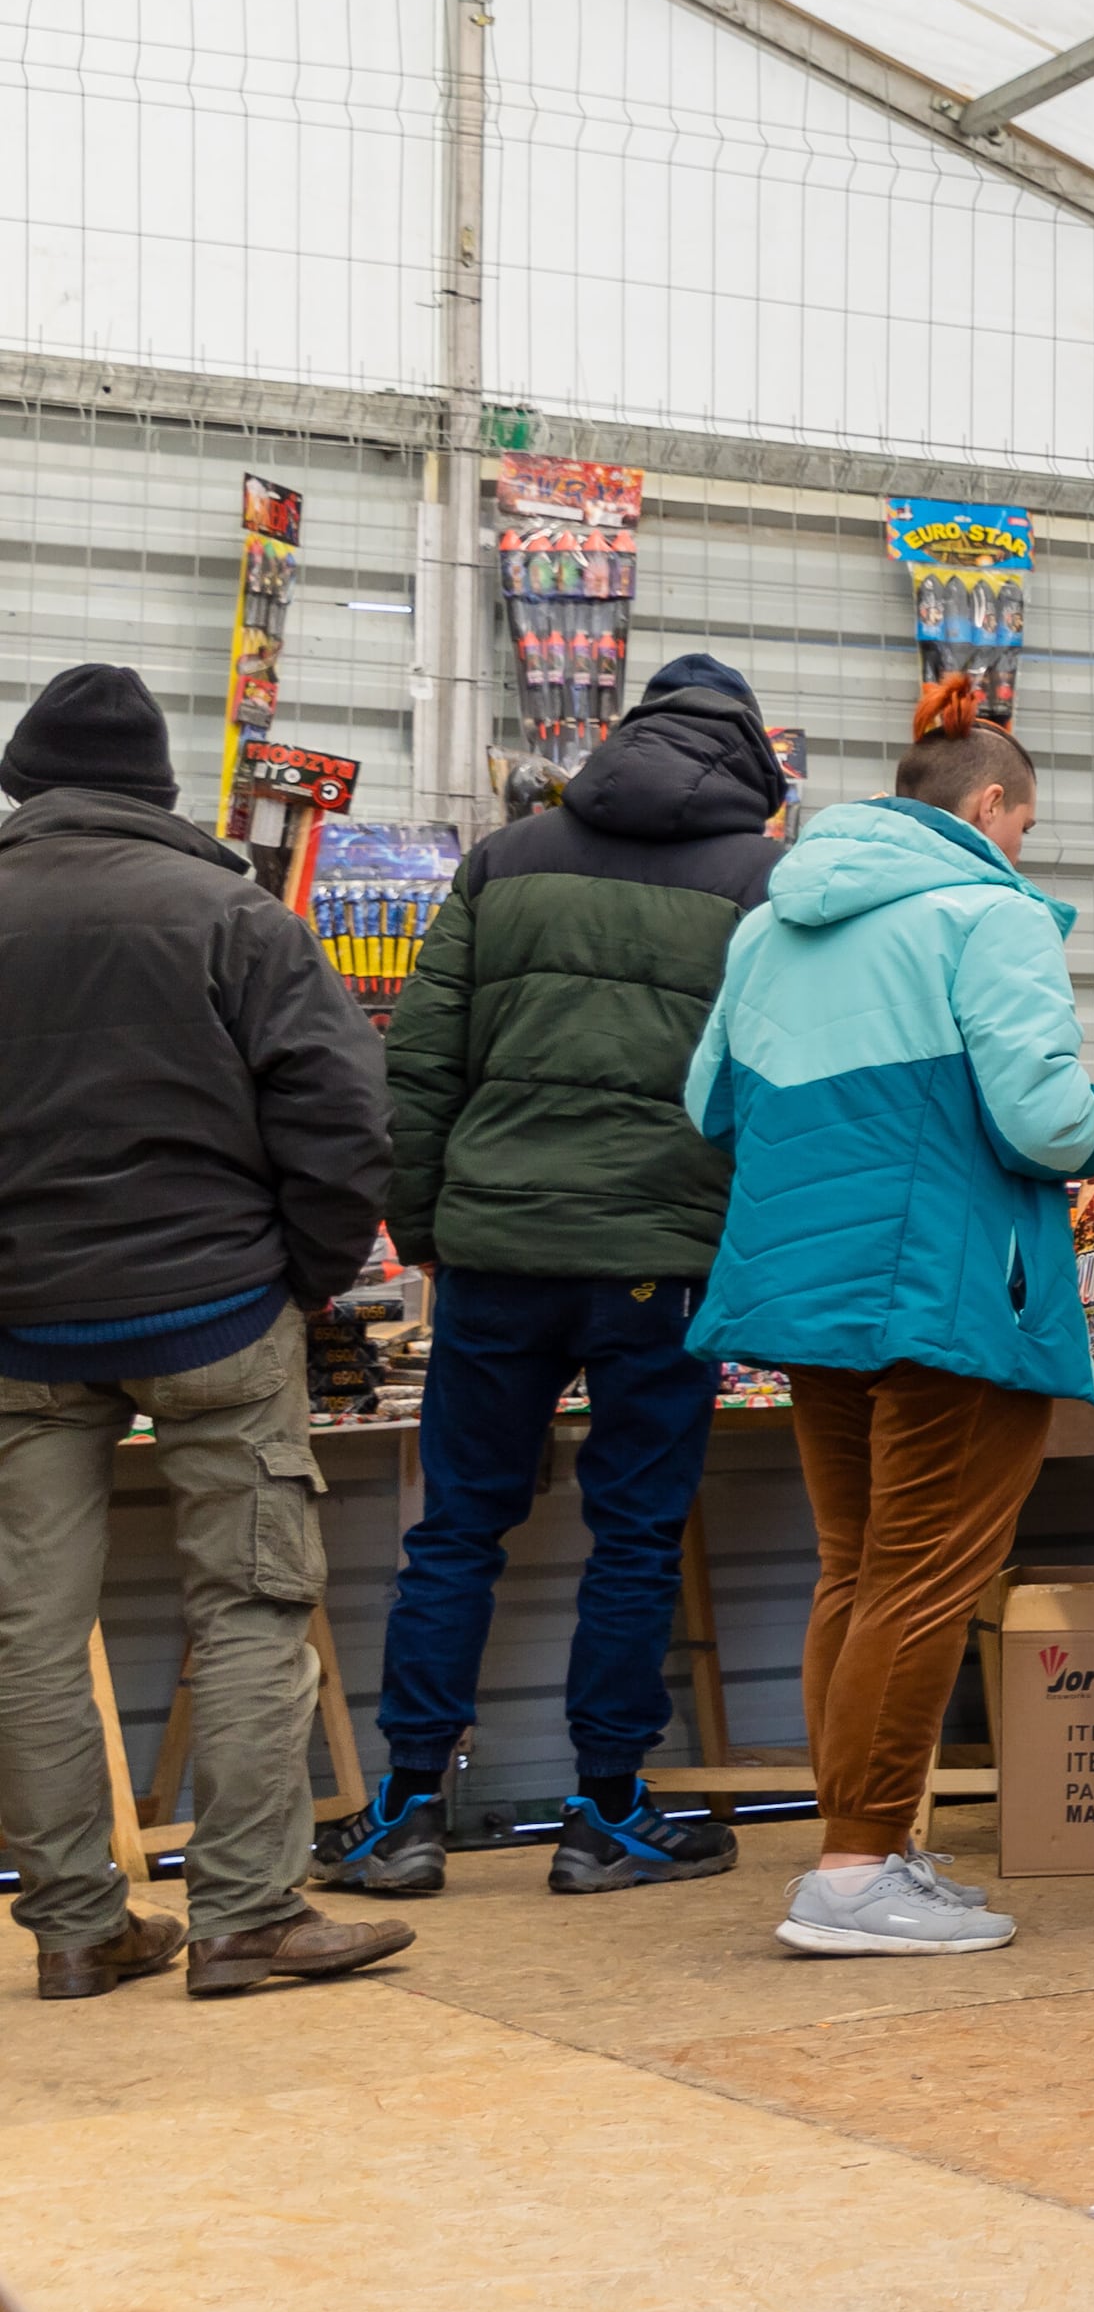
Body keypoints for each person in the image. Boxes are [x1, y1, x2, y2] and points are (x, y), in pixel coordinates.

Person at [682, 680, 1094, 1961]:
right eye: (1026, 825)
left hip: (808, 1289)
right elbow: (1044, 1122)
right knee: (929, 1580)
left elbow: (707, 1105)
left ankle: (867, 1847)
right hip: (947, 1288)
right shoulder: (986, 914)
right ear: (990, 805)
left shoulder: (771, 926)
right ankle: (853, 1869)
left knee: (858, 1571)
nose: (1022, 848)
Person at [340, 655, 790, 1902]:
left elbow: (418, 1066)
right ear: (753, 761)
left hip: (496, 1247)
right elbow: (777, 1089)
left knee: (456, 1532)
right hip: (662, 1259)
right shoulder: (763, 881)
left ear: (623, 738)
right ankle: (608, 1816)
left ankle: (406, 1813)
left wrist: (428, 1228)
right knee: (635, 1539)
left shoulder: (505, 859)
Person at [0, 663, 410, 2002]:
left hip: (18, 1334)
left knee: (28, 1629)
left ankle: (73, 1926)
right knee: (249, 1603)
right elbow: (347, 1119)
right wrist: (301, 1274)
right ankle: (242, 1915)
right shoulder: (235, 915)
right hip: (216, 1313)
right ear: (159, 791)